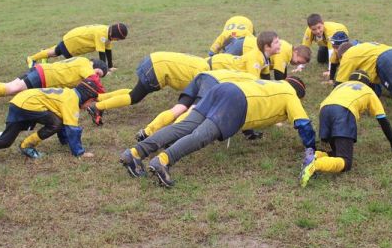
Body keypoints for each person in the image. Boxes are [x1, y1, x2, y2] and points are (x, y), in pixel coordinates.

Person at [119, 77, 315, 187]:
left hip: (224, 87)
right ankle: (163, 161)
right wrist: (311, 147)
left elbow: (259, 104)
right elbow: (304, 124)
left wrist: (250, 132)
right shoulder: (291, 95)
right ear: (300, 94)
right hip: (236, 101)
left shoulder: (273, 84)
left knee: (184, 127)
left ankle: (135, 153)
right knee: (201, 136)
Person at [0, 79, 102, 170]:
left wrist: (64, 141)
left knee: (6, 141)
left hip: (19, 101)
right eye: (91, 102)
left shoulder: (69, 94)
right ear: (86, 97)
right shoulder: (71, 101)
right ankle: (27, 145)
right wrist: (79, 153)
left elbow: (65, 123)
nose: (90, 105)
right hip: (28, 105)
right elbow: (72, 129)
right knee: (55, 123)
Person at [300, 70, 392, 187]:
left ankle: (314, 155)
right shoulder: (368, 91)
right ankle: (314, 165)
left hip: (324, 110)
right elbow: (383, 120)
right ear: (368, 83)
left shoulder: (341, 86)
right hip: (344, 112)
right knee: (346, 161)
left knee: (337, 153)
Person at [87, 52, 210, 125]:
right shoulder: (205, 75)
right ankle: (96, 107)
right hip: (156, 69)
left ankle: (99, 97)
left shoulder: (203, 62)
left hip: (153, 59)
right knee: (134, 97)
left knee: (133, 91)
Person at [136, 69, 257, 141]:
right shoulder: (254, 82)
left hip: (203, 76)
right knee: (193, 111)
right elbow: (246, 106)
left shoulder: (240, 71)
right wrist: (249, 131)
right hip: (214, 82)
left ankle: (146, 132)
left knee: (178, 108)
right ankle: (169, 138)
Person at [0, 57, 107, 109]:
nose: (96, 77)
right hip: (43, 76)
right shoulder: (86, 64)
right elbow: (93, 80)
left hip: (41, 71)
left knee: (11, 85)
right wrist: (105, 95)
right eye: (98, 73)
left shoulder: (81, 62)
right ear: (95, 65)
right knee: (13, 89)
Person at [26, 23, 128, 70]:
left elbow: (108, 51)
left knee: (56, 51)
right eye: (118, 38)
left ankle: (41, 54)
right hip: (73, 41)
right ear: (114, 35)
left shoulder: (107, 33)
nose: (117, 40)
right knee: (60, 57)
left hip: (73, 38)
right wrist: (104, 69)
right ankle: (32, 58)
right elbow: (101, 54)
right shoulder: (102, 35)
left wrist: (110, 66)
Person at [223, 34, 312, 80]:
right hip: (243, 46)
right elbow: (279, 75)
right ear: (296, 51)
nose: (297, 64)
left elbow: (281, 72)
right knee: (225, 66)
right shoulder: (285, 51)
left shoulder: (288, 52)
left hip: (243, 45)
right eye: (298, 61)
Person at [207, 31, 281, 79]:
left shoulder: (265, 58)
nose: (280, 44)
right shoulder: (255, 58)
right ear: (267, 47)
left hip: (221, 62)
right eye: (276, 42)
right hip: (216, 64)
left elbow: (266, 79)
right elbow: (253, 84)